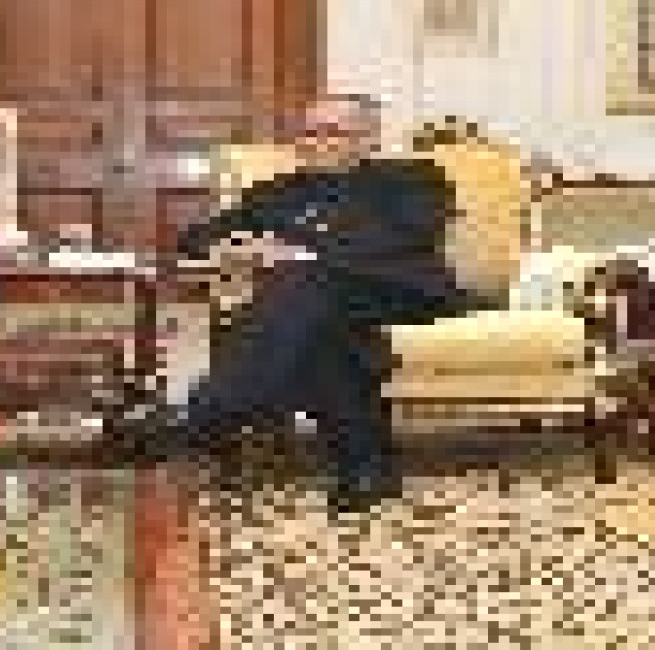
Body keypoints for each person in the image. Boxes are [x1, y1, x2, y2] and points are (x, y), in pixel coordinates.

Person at [138, 94, 489, 649]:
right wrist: (241, 245)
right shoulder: (275, 191)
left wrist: (294, 249)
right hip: (326, 309)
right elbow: (195, 240)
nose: (317, 142)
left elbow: (401, 241)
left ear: (369, 139)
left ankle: (205, 414)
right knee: (319, 322)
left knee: (306, 285)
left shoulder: (413, 178)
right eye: (309, 133)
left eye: (333, 132)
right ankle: (365, 469)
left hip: (402, 294)